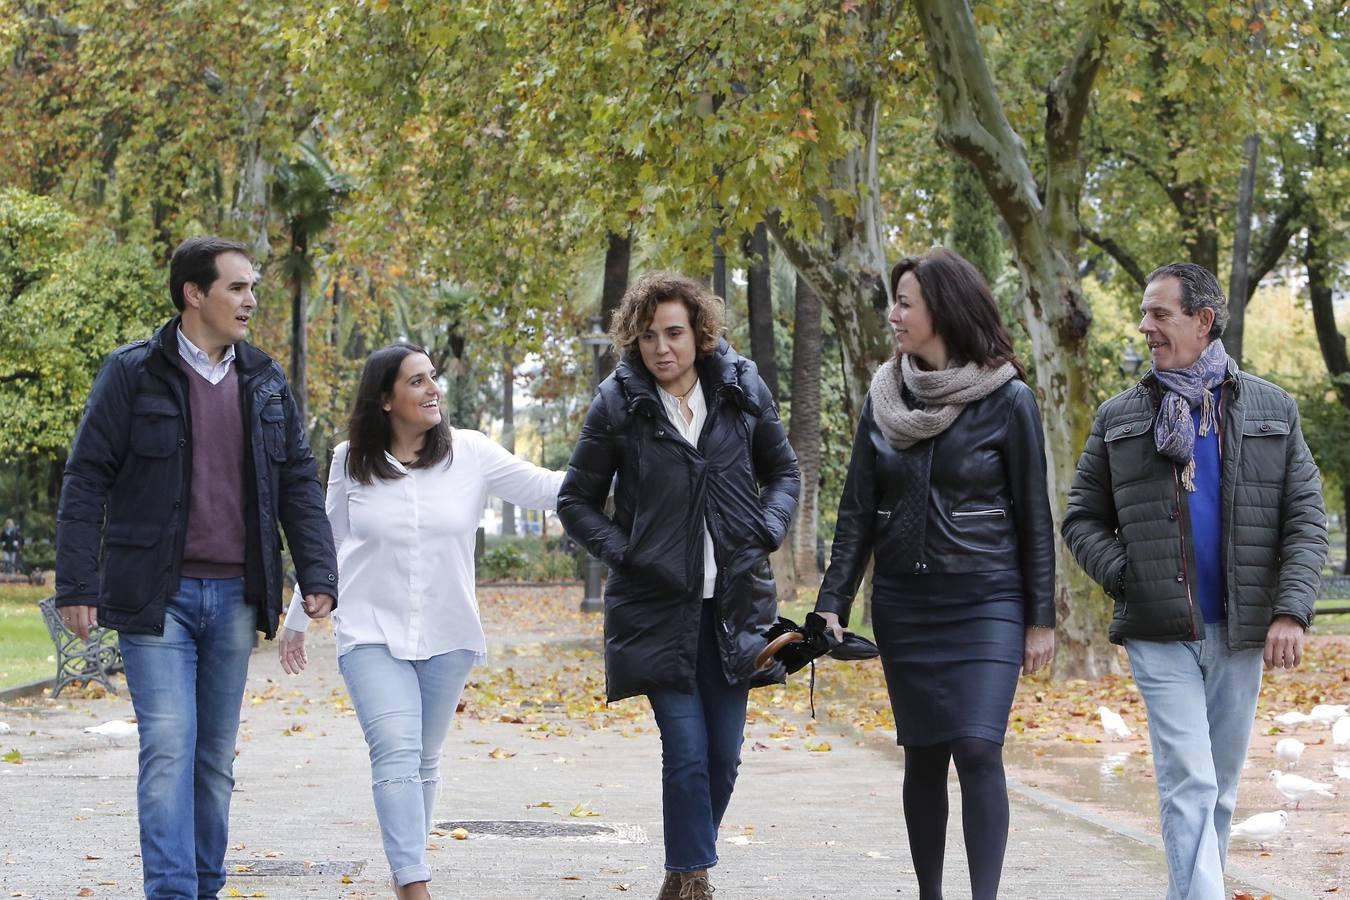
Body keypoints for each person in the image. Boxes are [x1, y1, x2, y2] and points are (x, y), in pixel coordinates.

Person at [54, 236, 338, 899]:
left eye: (253, 288)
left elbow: (297, 479)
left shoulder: (264, 379)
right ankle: (174, 894)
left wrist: (317, 573)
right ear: (194, 294)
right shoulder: (131, 373)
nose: (251, 300)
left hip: (237, 597)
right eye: (238, 287)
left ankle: (205, 888)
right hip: (157, 597)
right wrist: (75, 583)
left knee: (212, 763)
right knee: (169, 748)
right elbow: (86, 478)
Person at [1063, 262, 1328, 900]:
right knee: (1191, 780)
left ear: (1203, 320)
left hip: (1241, 632)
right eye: (1144, 313)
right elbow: (1081, 517)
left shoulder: (1273, 408)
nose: (1145, 326)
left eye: (1160, 314)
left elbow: (1306, 518)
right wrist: (1129, 577)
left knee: (1222, 789)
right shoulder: (1120, 417)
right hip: (1160, 629)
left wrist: (1290, 611)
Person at [277, 343, 564, 900]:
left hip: (448, 632)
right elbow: (326, 543)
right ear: (385, 399)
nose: (434, 389)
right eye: (417, 381)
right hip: (368, 631)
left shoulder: (471, 453)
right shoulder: (348, 460)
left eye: (433, 377)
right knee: (395, 754)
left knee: (425, 760)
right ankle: (415, 885)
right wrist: (298, 617)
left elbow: (546, 489)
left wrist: (628, 468)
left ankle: (407, 861)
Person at [814, 248, 1056, 900]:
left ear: (941, 310)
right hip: (905, 604)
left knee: (978, 749)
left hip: (986, 602)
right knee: (923, 754)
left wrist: (1041, 618)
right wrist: (832, 600)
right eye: (894, 302)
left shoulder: (1009, 400)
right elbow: (857, 510)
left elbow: (1035, 516)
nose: (893, 315)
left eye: (904, 303)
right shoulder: (882, 398)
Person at [557, 272, 800, 900]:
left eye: (673, 333)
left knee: (724, 758)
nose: (661, 348)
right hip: (658, 609)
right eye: (647, 337)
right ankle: (693, 880)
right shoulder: (618, 402)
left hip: (736, 608)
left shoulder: (743, 388)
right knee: (687, 753)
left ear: (700, 332)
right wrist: (628, 555)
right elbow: (576, 501)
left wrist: (766, 528)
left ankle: (680, 867)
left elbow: (783, 470)